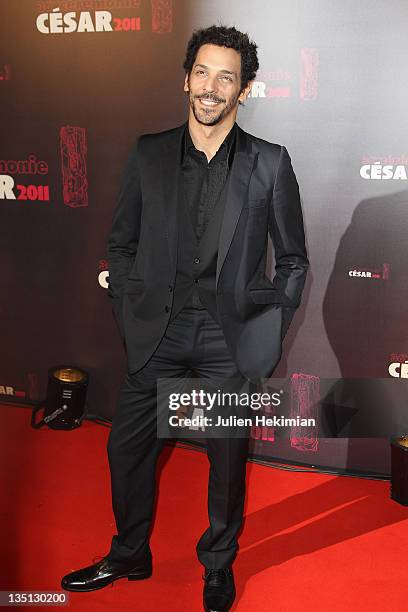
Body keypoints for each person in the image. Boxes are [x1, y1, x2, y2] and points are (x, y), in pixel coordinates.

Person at [61, 24, 309, 611]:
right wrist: (131, 310)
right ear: (186, 78)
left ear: (243, 90)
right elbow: (121, 244)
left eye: (227, 77)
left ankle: (218, 565)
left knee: (226, 458)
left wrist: (265, 334)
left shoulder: (270, 163)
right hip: (158, 331)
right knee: (127, 449)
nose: (211, 87)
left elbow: (294, 261)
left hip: (230, 338)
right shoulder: (149, 152)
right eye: (202, 72)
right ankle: (130, 553)